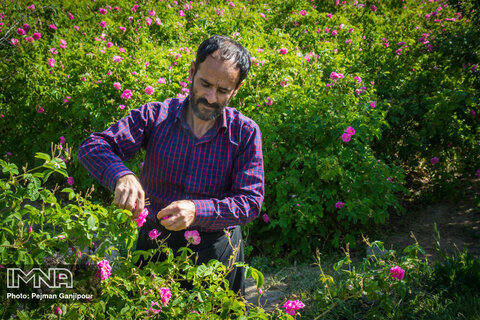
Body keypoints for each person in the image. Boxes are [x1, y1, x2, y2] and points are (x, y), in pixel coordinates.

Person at [78, 35, 264, 295]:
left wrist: (197, 210)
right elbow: (94, 146)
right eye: (205, 84)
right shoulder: (156, 116)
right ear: (191, 71)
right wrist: (122, 175)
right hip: (154, 244)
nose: (210, 97)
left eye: (222, 91)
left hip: (216, 252)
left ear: (237, 88)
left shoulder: (244, 132)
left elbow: (250, 201)